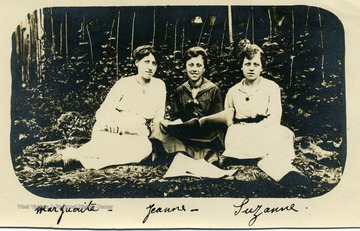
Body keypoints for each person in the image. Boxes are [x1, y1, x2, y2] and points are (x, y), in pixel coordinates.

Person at [45, 45, 166, 171]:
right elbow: (104, 110)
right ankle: (70, 158)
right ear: (137, 62)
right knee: (108, 148)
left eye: (154, 63)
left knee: (142, 151)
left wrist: (156, 143)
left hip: (137, 133)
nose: (150, 67)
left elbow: (158, 118)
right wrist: (111, 122)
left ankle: (75, 159)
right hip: (113, 129)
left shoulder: (159, 86)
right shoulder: (124, 83)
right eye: (146, 62)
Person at [150, 46, 225, 161]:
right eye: (191, 65)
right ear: (185, 67)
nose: (194, 69)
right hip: (186, 135)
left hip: (207, 137)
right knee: (159, 128)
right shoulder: (180, 91)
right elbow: (176, 117)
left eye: (198, 65)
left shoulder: (214, 90)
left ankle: (207, 155)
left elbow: (218, 119)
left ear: (204, 69)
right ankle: (180, 153)